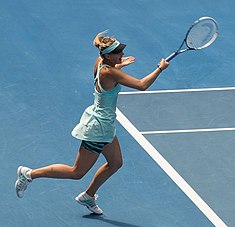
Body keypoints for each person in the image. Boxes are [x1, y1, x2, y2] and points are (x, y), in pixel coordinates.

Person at [15, 31, 169, 215]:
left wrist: (120, 64)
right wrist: (160, 68)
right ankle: (29, 174)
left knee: (115, 163)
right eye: (118, 53)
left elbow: (110, 73)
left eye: (121, 51)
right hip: (98, 128)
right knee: (76, 172)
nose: (122, 54)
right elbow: (142, 84)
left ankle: (88, 196)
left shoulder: (101, 63)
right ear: (108, 55)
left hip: (105, 123)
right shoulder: (110, 72)